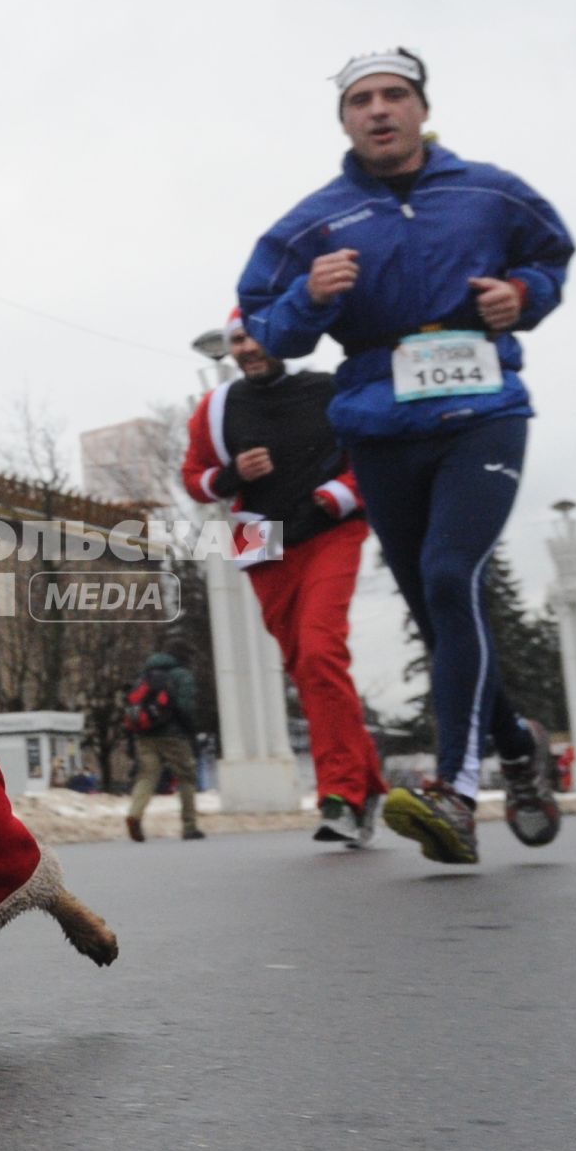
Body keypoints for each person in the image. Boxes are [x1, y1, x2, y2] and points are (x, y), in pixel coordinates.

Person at [238, 47, 575, 864]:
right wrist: (309, 296)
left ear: (421, 109)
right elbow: (261, 327)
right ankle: (518, 748)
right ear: (344, 120)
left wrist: (523, 295)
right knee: (433, 610)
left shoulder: (488, 191)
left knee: (449, 575)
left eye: (394, 95)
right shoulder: (311, 222)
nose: (379, 110)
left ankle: (456, 793)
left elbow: (549, 255)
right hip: (379, 422)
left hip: (480, 409)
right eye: (361, 100)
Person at [183, 308, 387, 848]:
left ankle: (341, 795)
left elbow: (373, 452)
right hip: (258, 538)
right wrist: (231, 475)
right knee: (306, 668)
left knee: (321, 653)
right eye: (238, 341)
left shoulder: (327, 389)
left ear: (283, 340)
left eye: (256, 337)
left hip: (328, 529)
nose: (248, 348)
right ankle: (366, 787)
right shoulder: (216, 406)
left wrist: (336, 495)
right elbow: (195, 480)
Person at [123, 646, 205, 842]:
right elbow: (185, 707)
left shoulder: (144, 676)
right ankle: (189, 826)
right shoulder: (181, 676)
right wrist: (190, 731)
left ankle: (134, 814)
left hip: (145, 735)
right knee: (186, 777)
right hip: (173, 736)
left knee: (147, 776)